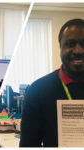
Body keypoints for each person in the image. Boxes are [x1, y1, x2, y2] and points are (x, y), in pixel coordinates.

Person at [20, 18, 84, 147]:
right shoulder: (37, 90)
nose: (78, 51)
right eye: (70, 44)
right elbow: (29, 145)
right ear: (60, 47)